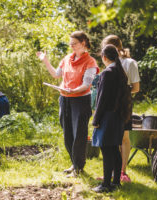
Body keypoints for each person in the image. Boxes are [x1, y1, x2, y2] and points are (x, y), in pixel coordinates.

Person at [36, 31, 99, 177]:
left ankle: (78, 168)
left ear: (83, 43)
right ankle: (74, 163)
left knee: (79, 134)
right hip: (65, 99)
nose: (71, 47)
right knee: (68, 134)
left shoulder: (90, 62)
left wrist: (74, 91)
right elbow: (56, 75)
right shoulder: (66, 59)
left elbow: (86, 84)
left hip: (80, 100)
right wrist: (45, 60)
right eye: (70, 44)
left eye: (74, 44)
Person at [92, 44, 132, 192]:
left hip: (108, 115)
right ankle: (116, 182)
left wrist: (96, 119)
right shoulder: (120, 71)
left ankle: (106, 185)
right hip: (119, 116)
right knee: (114, 149)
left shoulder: (108, 72)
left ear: (104, 57)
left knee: (106, 149)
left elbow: (102, 99)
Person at [101, 35, 140, 182]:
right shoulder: (109, 63)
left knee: (123, 138)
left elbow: (136, 88)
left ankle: (123, 172)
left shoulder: (130, 63)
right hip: (109, 106)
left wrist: (119, 93)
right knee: (110, 139)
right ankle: (111, 173)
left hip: (123, 104)